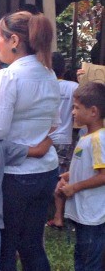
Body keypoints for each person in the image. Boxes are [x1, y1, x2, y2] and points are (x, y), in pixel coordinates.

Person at [0, 10, 60, 271]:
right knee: (33, 246)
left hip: (15, 174)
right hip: (45, 170)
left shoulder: (9, 76)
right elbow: (53, 124)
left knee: (8, 247)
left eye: (0, 38)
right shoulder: (49, 73)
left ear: (14, 40)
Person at [56, 81, 105, 271]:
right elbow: (87, 166)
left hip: (93, 216)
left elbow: (103, 174)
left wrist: (74, 187)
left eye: (76, 108)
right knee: (85, 265)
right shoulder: (87, 136)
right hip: (86, 214)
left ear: (93, 111)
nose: (72, 112)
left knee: (89, 270)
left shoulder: (98, 139)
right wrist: (69, 175)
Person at [47, 52, 79, 229]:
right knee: (63, 176)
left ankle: (47, 213)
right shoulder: (74, 87)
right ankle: (60, 215)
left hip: (45, 140)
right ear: (65, 69)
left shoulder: (45, 85)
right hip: (66, 139)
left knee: (46, 176)